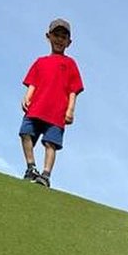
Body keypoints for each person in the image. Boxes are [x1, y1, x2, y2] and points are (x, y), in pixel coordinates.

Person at [19, 19, 84, 187]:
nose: (59, 40)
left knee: (51, 143)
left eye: (63, 37)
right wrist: (27, 96)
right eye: (56, 35)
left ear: (69, 42)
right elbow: (33, 81)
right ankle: (31, 167)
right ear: (48, 37)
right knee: (25, 133)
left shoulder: (70, 64)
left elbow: (73, 89)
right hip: (37, 107)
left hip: (56, 112)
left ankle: (46, 174)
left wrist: (70, 109)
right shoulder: (40, 61)